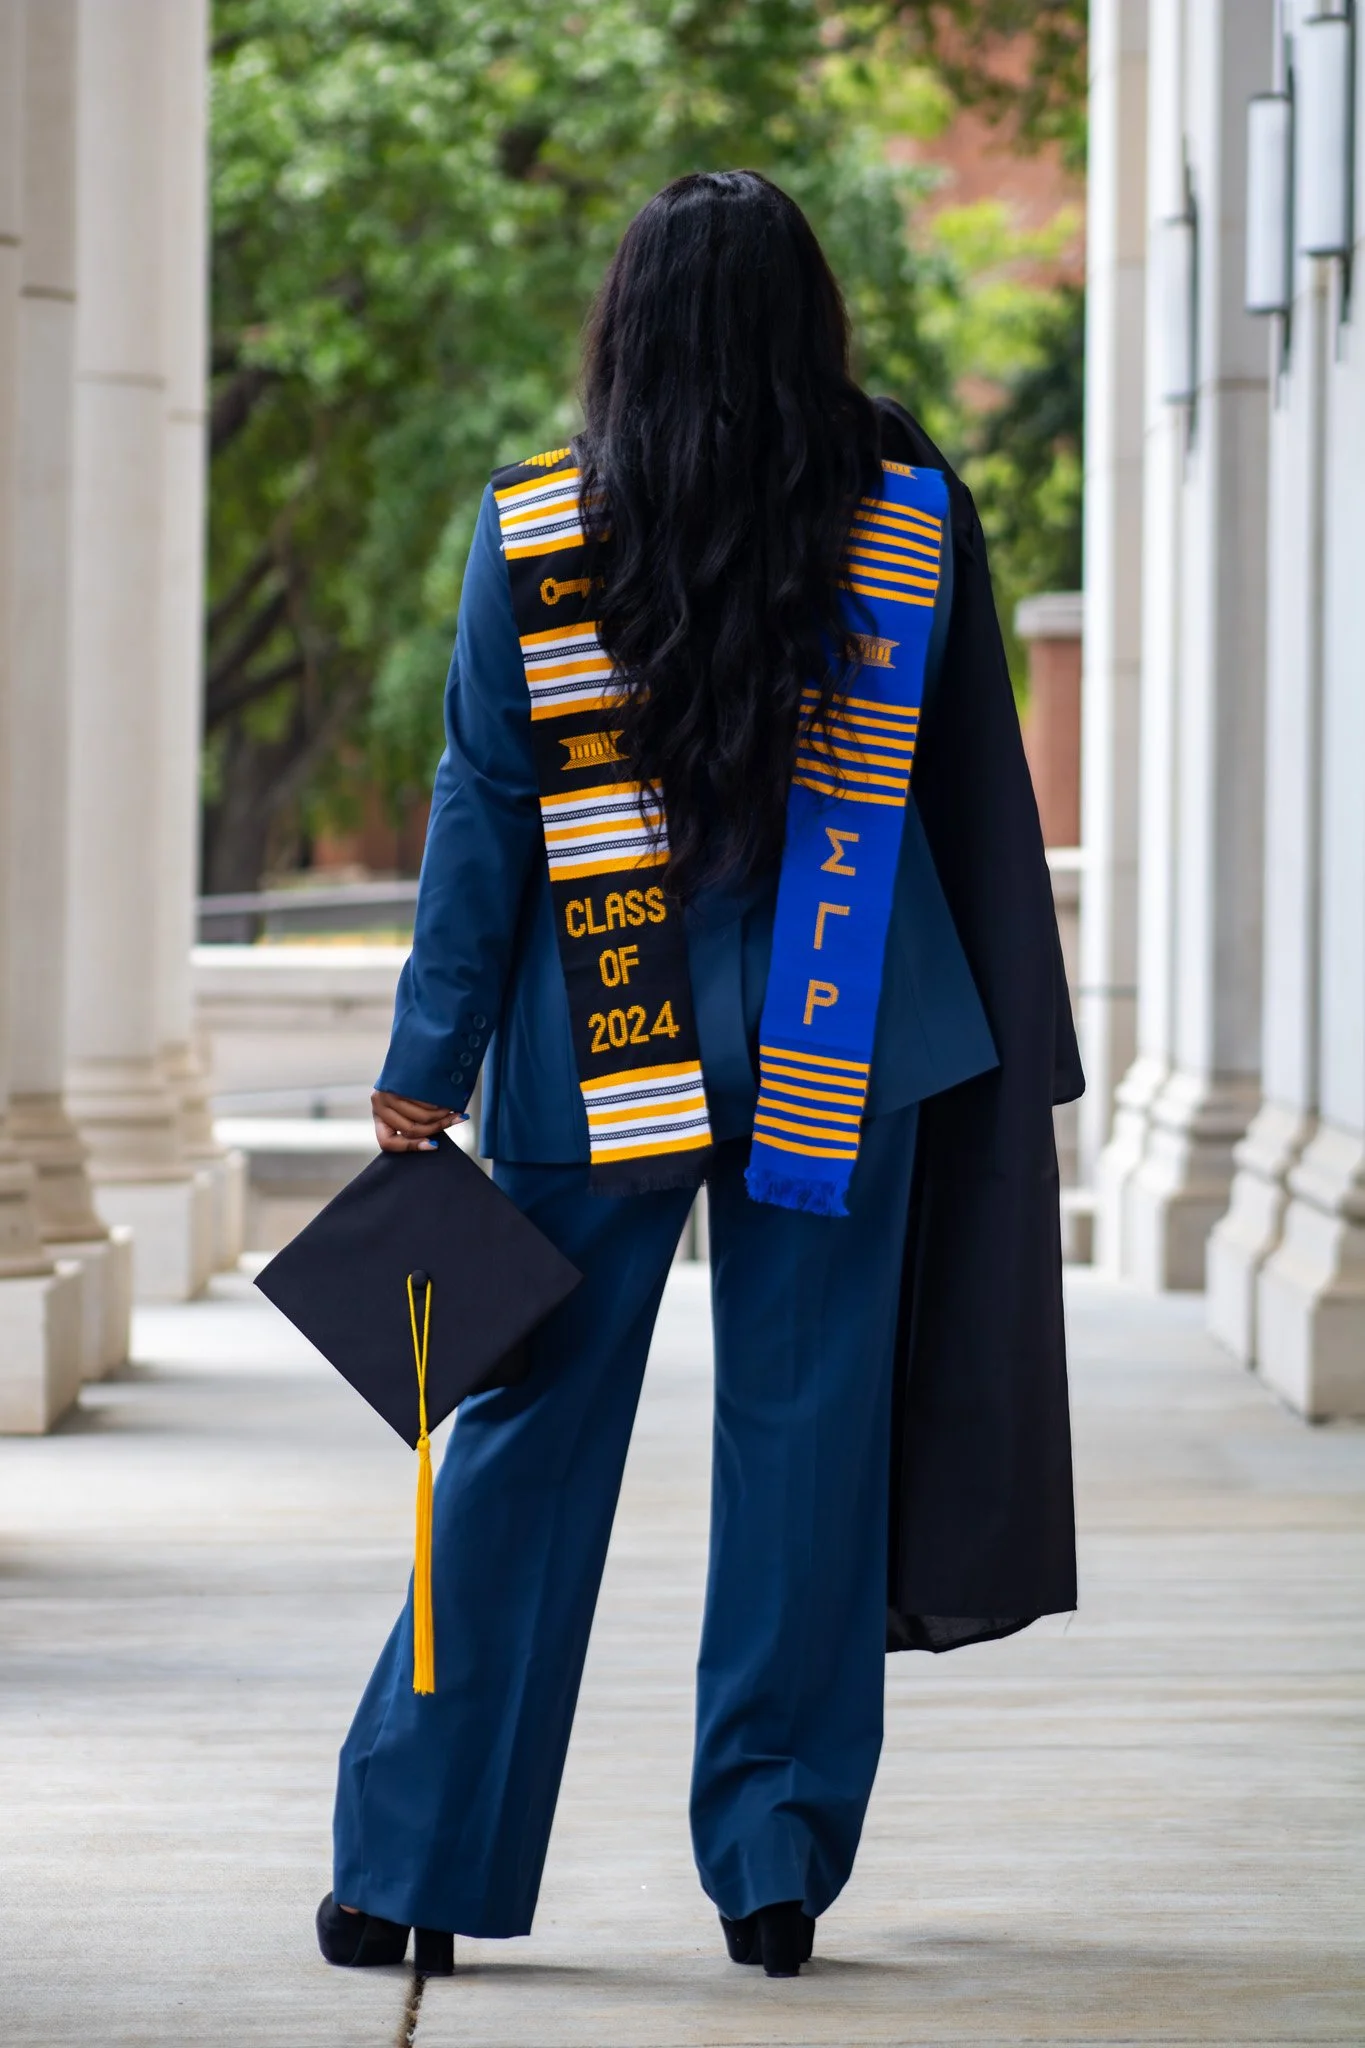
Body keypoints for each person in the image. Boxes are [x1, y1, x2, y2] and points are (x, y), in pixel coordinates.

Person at [316, 169, 1080, 1983]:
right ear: (811, 324)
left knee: (516, 1436)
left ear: (630, 328)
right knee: (807, 1452)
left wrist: (427, 1061)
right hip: (845, 1037)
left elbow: (485, 814)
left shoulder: (534, 536)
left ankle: (414, 1858)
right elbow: (971, 792)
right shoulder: (908, 520)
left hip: (607, 1045)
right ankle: (773, 1863)